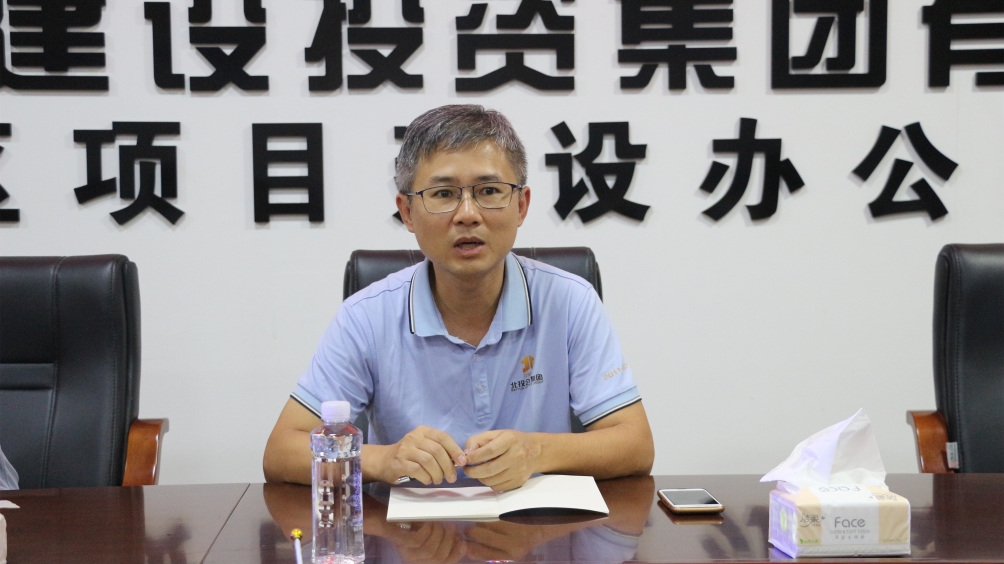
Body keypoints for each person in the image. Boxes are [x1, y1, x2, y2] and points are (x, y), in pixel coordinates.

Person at [263, 105, 654, 491]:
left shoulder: (569, 301)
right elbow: (282, 452)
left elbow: (635, 445)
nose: (467, 214)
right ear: (407, 212)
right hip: (410, 529)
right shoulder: (366, 316)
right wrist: (383, 460)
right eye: (444, 193)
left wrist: (537, 451)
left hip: (535, 526)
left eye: (489, 191)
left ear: (521, 206)